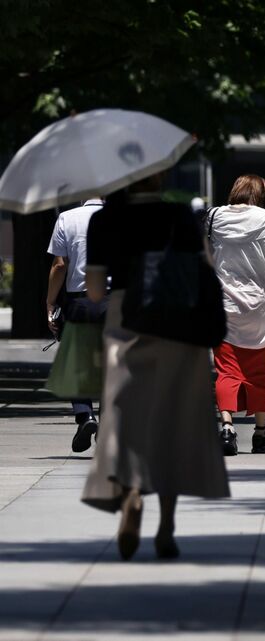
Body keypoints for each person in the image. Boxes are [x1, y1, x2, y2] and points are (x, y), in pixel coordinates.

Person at [81, 173, 230, 561]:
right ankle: (166, 526)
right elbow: (204, 269)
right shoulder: (178, 214)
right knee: (175, 419)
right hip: (179, 320)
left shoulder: (104, 219)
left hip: (125, 320)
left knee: (126, 416)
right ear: (159, 173)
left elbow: (95, 291)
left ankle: (131, 494)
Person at [207, 175, 265, 456]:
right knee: (257, 371)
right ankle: (259, 434)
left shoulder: (213, 217)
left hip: (223, 304)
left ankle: (228, 428)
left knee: (226, 370)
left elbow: (205, 257)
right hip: (260, 306)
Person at [45, 198, 107, 452]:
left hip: (80, 300)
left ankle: (85, 416)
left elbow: (60, 265)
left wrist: (50, 302)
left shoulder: (67, 218)